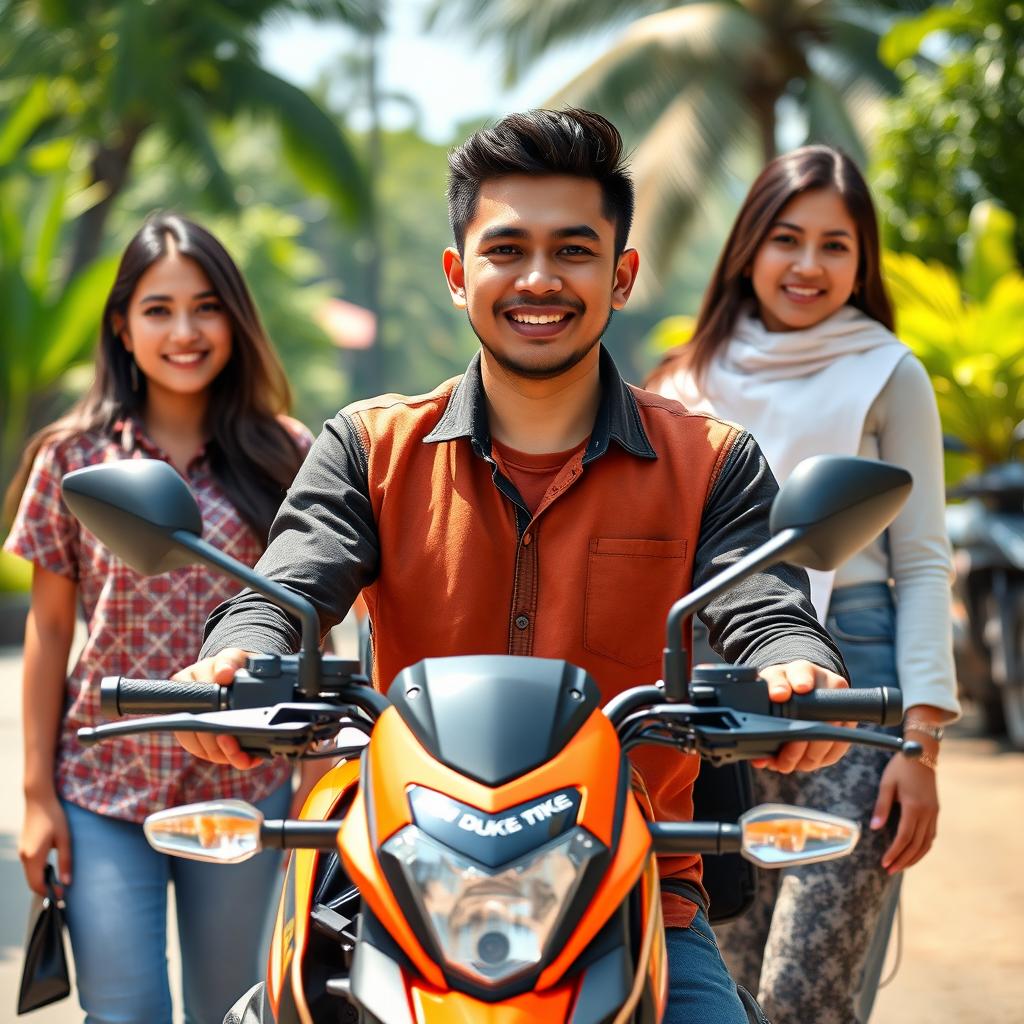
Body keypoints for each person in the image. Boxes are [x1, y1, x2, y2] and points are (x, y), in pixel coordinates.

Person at [173, 109, 853, 1023]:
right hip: (402, 883)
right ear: (459, 275)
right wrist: (239, 656)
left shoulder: (713, 461)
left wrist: (793, 668)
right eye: (507, 250)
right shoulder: (369, 447)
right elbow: (293, 580)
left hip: (630, 892)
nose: (540, 279)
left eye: (574, 251)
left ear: (622, 276)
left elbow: (761, 599)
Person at [646, 145, 960, 1024]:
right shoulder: (682, 379)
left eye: (837, 244)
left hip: (853, 677)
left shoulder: (889, 371)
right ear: (748, 246)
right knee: (718, 982)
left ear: (863, 261)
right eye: (789, 239)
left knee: (807, 992)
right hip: (711, 684)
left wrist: (920, 747)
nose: (810, 265)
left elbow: (923, 558)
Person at [4, 214, 315, 1024]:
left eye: (206, 306)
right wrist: (37, 795)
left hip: (242, 781)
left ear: (236, 319)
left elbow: (318, 614)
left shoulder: (287, 453)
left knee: (233, 1008)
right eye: (158, 309)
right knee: (127, 1010)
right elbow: (48, 634)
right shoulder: (71, 457)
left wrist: (316, 775)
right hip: (103, 784)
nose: (185, 331)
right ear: (122, 325)